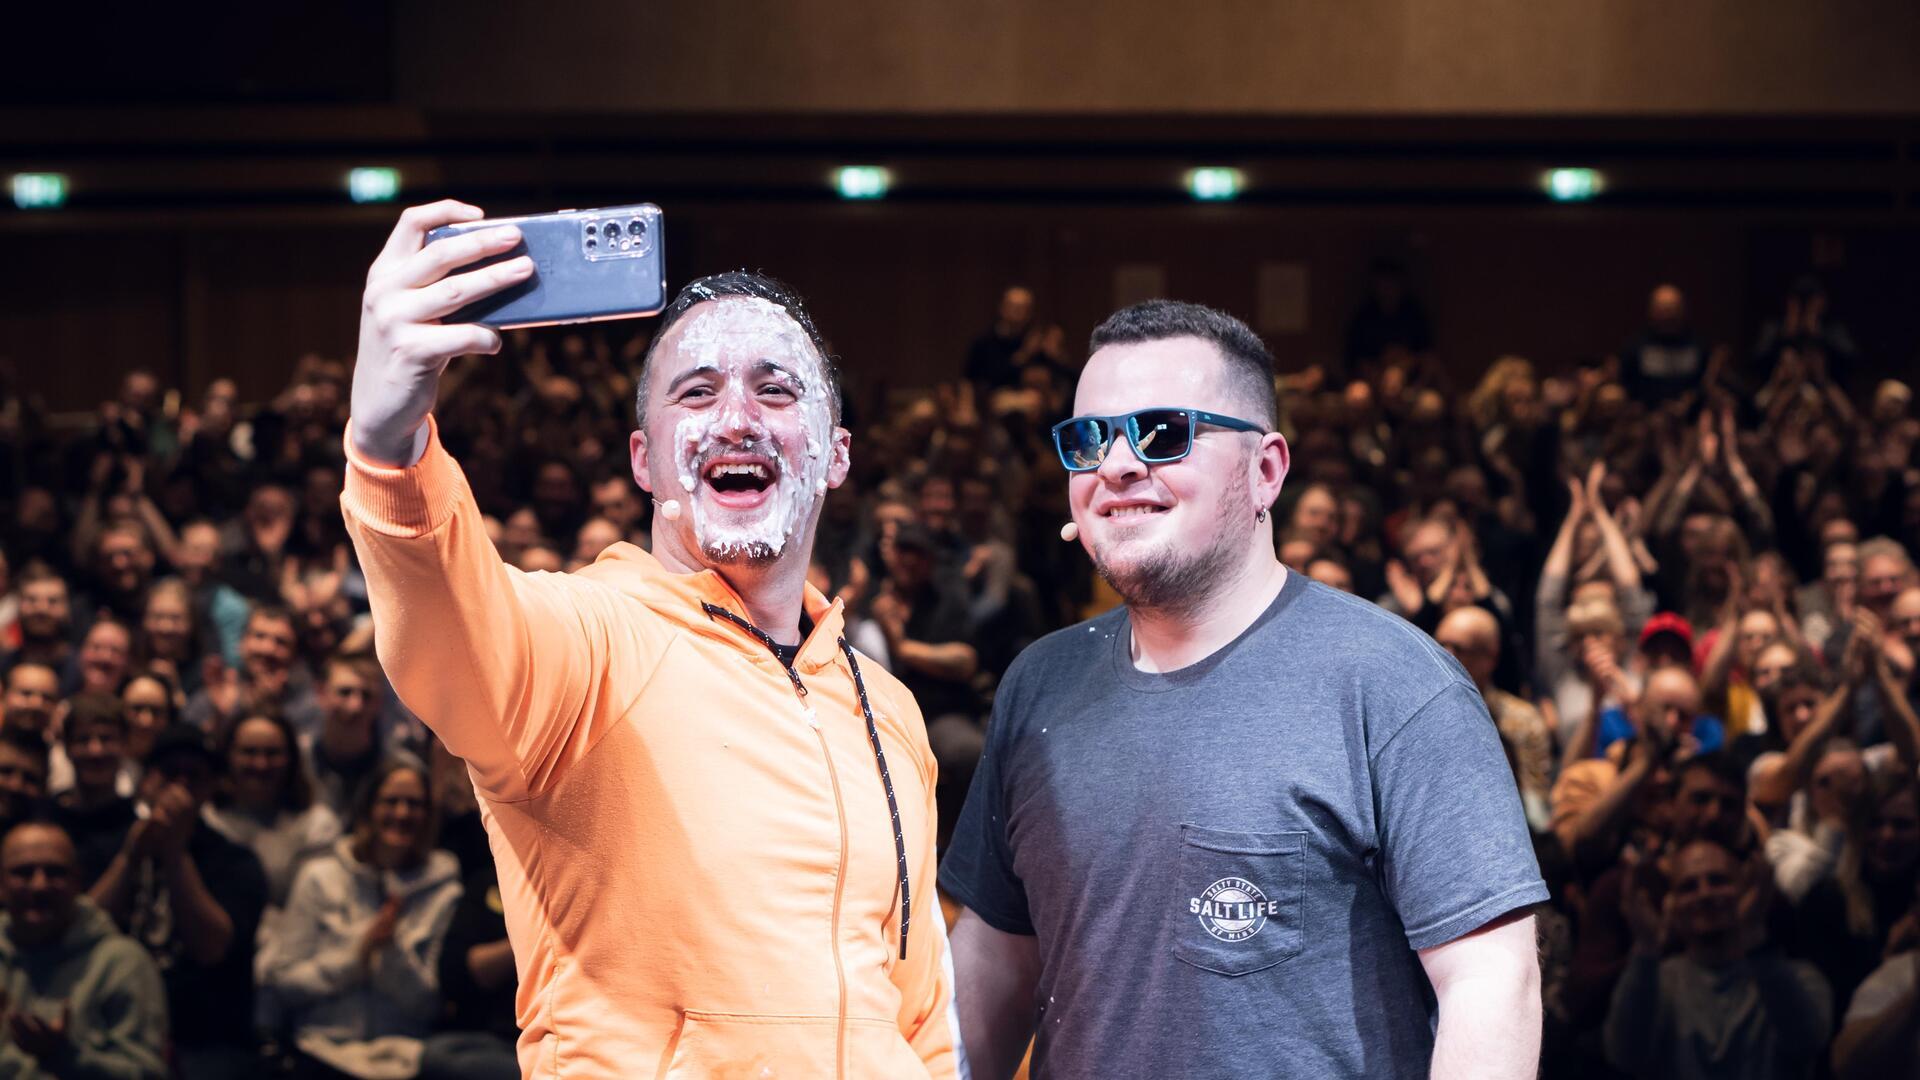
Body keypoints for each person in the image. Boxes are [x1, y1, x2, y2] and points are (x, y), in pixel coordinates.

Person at [341, 202, 955, 1078]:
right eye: (697, 393)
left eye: (776, 390)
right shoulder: (584, 643)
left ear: (836, 453)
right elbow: (448, 623)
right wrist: (385, 446)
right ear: (644, 458)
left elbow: (919, 1008)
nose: (736, 419)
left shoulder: (885, 705)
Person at [942, 300, 1543, 1079]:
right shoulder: (1038, 684)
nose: (1116, 465)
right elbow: (995, 964)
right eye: (1087, 440)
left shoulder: (1392, 682)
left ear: (1266, 470)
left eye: (1164, 433)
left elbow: (1491, 982)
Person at [260, 757, 461, 1080]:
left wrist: (391, 951)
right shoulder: (319, 878)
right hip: (320, 1050)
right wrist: (356, 955)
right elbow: (284, 984)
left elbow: (430, 1005)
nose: (402, 813)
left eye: (414, 804)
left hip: (405, 1059)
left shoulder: (444, 891)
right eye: (391, 801)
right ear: (368, 807)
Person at [89, 724, 269, 1079]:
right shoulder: (113, 843)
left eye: (194, 776)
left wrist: (176, 852)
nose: (180, 787)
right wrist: (129, 859)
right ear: (148, 780)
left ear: (211, 786)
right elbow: (83, 928)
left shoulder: (234, 861)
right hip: (112, 1025)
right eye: (171, 774)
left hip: (205, 1036)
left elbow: (211, 947)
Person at [1605, 837, 1831, 1079]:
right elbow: (1625, 1056)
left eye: (1718, 881)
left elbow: (1806, 1042)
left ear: (1745, 889)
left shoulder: (1800, 977)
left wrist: (1754, 936)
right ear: (1672, 904)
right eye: (1688, 887)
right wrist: (1646, 948)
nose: (1704, 894)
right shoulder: (1657, 984)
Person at [0, 821, 169, 1079]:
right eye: (23, 872)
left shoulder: (122, 963)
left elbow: (149, 1073)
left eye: (55, 872)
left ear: (77, 880)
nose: (39, 885)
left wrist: (65, 1057)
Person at [47, 694, 138, 889]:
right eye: (83, 739)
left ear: (125, 745)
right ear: (66, 748)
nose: (95, 751)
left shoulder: (137, 824)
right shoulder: (45, 819)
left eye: (106, 739)